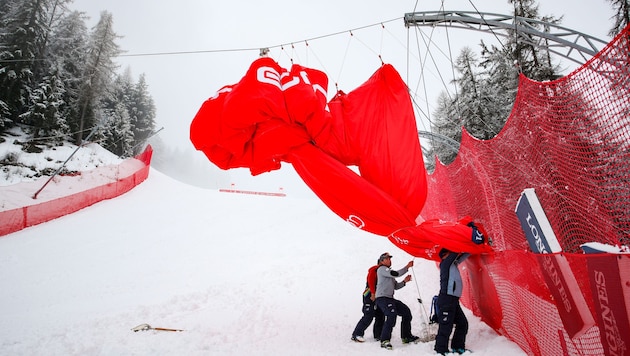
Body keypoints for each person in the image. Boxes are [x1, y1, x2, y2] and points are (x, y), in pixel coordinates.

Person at [374, 252, 419, 350]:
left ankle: (406, 336)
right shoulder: (382, 269)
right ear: (382, 261)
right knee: (391, 315)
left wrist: (404, 282)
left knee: (406, 312)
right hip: (382, 298)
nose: (390, 260)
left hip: (389, 298)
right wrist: (407, 267)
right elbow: (396, 273)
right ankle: (384, 340)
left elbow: (396, 286)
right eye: (387, 259)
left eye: (390, 258)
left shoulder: (388, 272)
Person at [434, 248, 470, 355]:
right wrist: (460, 244)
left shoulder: (452, 264)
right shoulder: (445, 264)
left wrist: (472, 248)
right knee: (446, 326)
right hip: (446, 299)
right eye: (449, 253)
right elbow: (456, 253)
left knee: (462, 323)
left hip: (453, 300)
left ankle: (458, 347)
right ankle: (440, 350)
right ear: (445, 255)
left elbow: (463, 255)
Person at [351, 262, 385, 342]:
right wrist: (373, 293)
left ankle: (378, 335)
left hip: (378, 296)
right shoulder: (375, 269)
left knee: (380, 314)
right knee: (369, 314)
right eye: (387, 258)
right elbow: (370, 281)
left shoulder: (385, 271)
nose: (389, 260)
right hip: (369, 295)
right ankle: (357, 334)